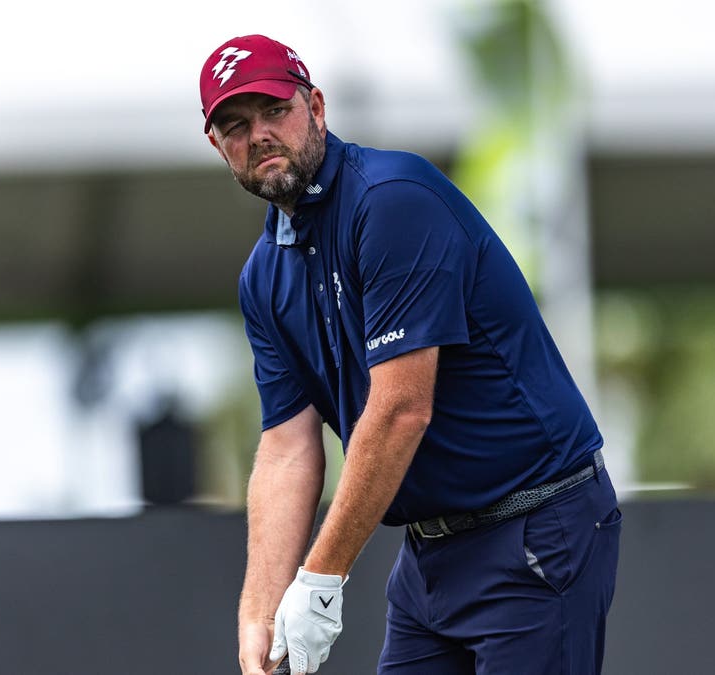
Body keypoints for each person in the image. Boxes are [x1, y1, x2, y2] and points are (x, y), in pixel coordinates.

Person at [199, 35, 620, 675]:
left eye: (274, 111)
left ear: (315, 107)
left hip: (536, 529)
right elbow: (287, 448)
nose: (259, 134)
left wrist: (319, 580)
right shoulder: (263, 276)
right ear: (217, 145)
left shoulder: (390, 200)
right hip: (429, 558)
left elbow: (401, 411)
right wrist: (260, 610)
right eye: (235, 125)